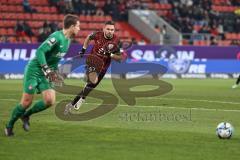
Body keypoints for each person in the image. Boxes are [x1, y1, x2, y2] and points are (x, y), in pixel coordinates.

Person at [4, 14, 80, 136]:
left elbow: (54, 60)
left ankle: (26, 116)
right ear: (71, 27)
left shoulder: (68, 41)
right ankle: (9, 126)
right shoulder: (56, 37)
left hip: (47, 73)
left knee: (50, 101)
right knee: (26, 102)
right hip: (34, 70)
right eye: (77, 26)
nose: (79, 29)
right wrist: (45, 68)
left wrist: (54, 73)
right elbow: (40, 51)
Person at [66, 21, 124, 111]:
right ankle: (75, 102)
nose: (110, 31)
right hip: (92, 61)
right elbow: (89, 37)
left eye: (112, 30)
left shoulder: (117, 41)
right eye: (108, 29)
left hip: (104, 66)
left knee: (91, 86)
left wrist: (111, 55)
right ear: (104, 29)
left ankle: (81, 99)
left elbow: (120, 58)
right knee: (93, 81)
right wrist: (83, 49)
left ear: (114, 30)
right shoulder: (98, 35)